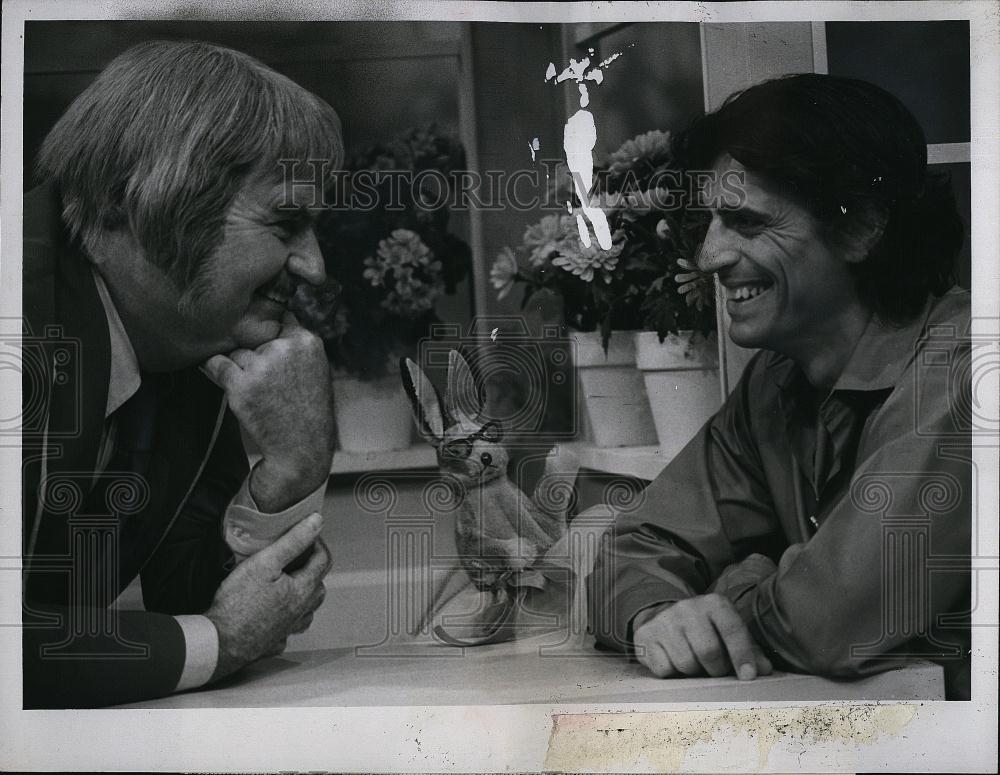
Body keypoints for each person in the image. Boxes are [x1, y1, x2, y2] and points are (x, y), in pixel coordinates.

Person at [587, 73, 972, 700]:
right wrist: (656, 615)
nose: (708, 256)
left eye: (745, 222)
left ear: (859, 228)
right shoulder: (777, 378)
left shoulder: (965, 369)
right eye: (708, 223)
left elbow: (833, 620)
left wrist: (733, 588)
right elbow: (637, 545)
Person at [22, 40, 342, 707]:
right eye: (287, 222)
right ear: (146, 201)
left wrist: (296, 462)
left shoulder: (183, 334)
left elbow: (194, 591)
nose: (314, 266)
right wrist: (218, 640)